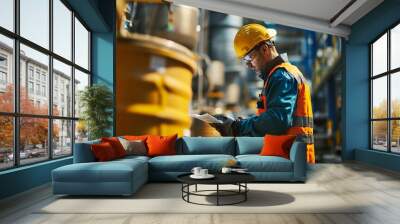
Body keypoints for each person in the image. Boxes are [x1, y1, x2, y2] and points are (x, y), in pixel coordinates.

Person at [211, 23, 315, 163]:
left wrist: (238, 127)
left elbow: (277, 121)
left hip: (290, 158)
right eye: (245, 61)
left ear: (265, 49)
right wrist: (239, 124)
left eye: (249, 58)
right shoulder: (276, 75)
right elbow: (272, 118)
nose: (248, 65)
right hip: (285, 156)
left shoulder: (282, 76)